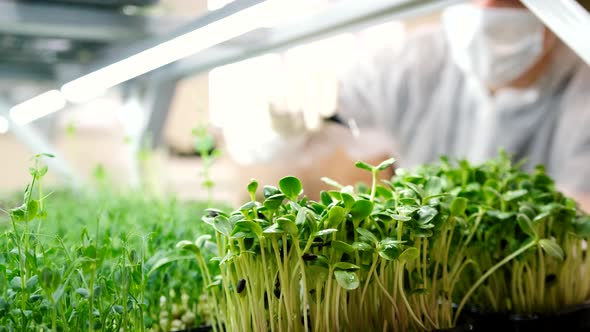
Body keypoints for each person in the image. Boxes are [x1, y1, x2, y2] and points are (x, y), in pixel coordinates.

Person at [226, 0, 590, 211]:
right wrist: (275, 127)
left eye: (507, 2)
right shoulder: (412, 62)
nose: (484, 10)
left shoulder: (582, 79)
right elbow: (265, 155)